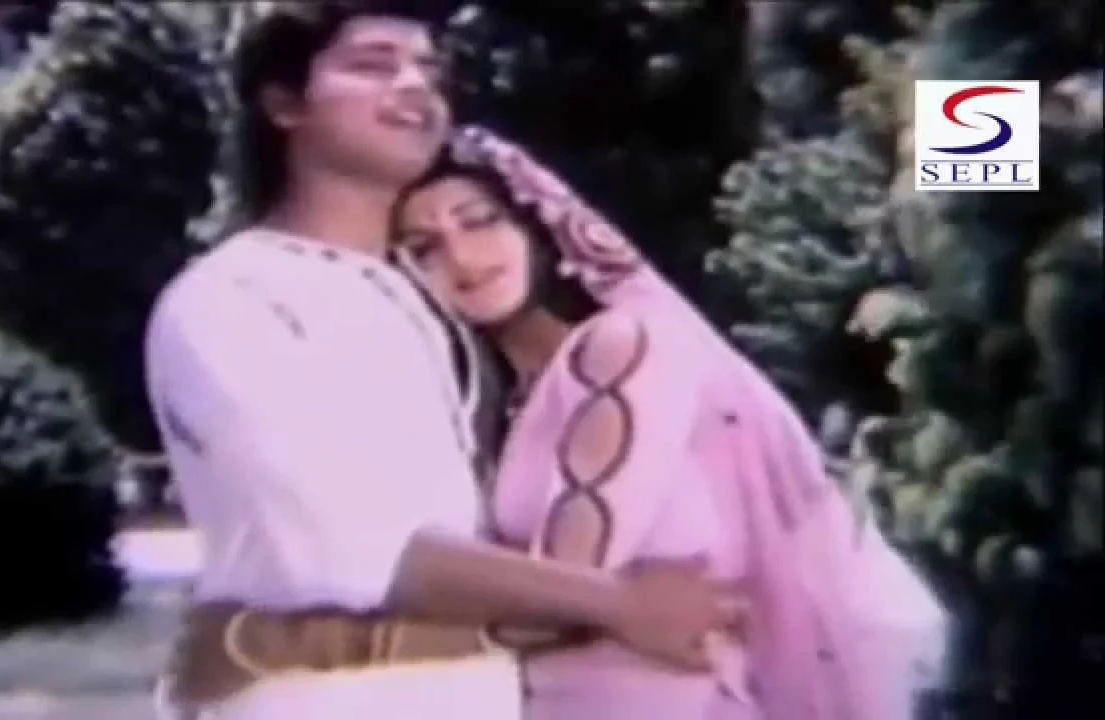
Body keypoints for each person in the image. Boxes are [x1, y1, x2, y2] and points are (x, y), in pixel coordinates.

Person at [144, 4, 743, 720]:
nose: (414, 87)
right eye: (374, 65)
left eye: (428, 71)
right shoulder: (237, 296)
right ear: (284, 104)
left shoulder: (427, 305)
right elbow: (351, 553)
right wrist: (616, 605)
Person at [387, 127, 949, 720]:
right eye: (425, 248)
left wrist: (396, 600)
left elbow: (561, 594)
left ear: (534, 223)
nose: (461, 257)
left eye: (480, 221)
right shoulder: (500, 404)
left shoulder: (621, 348)